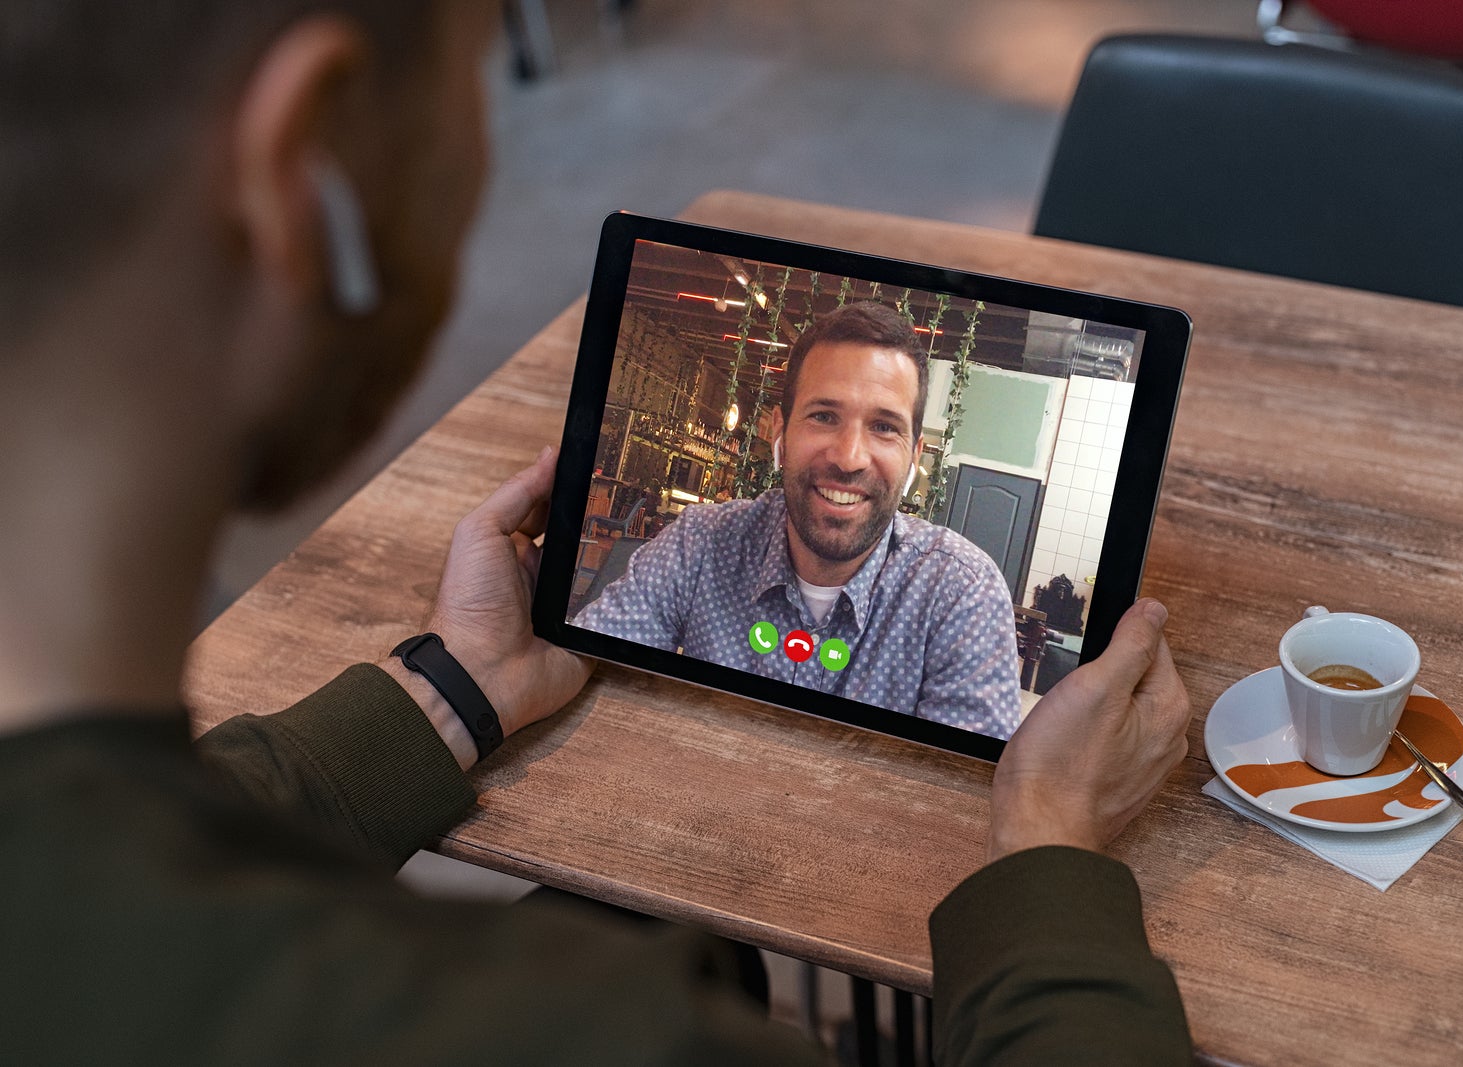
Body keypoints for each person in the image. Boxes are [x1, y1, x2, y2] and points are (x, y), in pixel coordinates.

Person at [0, 2, 1193, 1064]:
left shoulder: (959, 583)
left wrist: (457, 683)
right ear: (293, 170)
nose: (847, 452)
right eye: (471, 62)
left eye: (883, 426)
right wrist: (1049, 847)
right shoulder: (597, 1031)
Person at [577, 302, 1024, 739]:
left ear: (914, 455)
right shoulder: (701, 543)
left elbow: (956, 796)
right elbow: (588, 665)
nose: (849, 458)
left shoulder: (961, 593)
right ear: (780, 431)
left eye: (885, 427)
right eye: (824, 416)